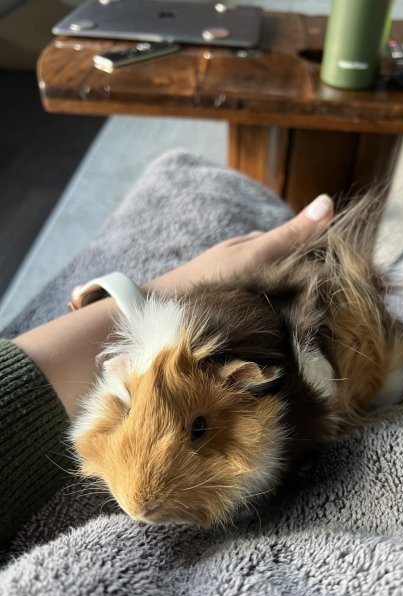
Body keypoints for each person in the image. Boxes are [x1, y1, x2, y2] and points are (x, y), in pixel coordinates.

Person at [0, 192, 334, 545]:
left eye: (199, 428)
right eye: (129, 411)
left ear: (241, 379)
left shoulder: (285, 394)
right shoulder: (128, 375)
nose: (140, 501)